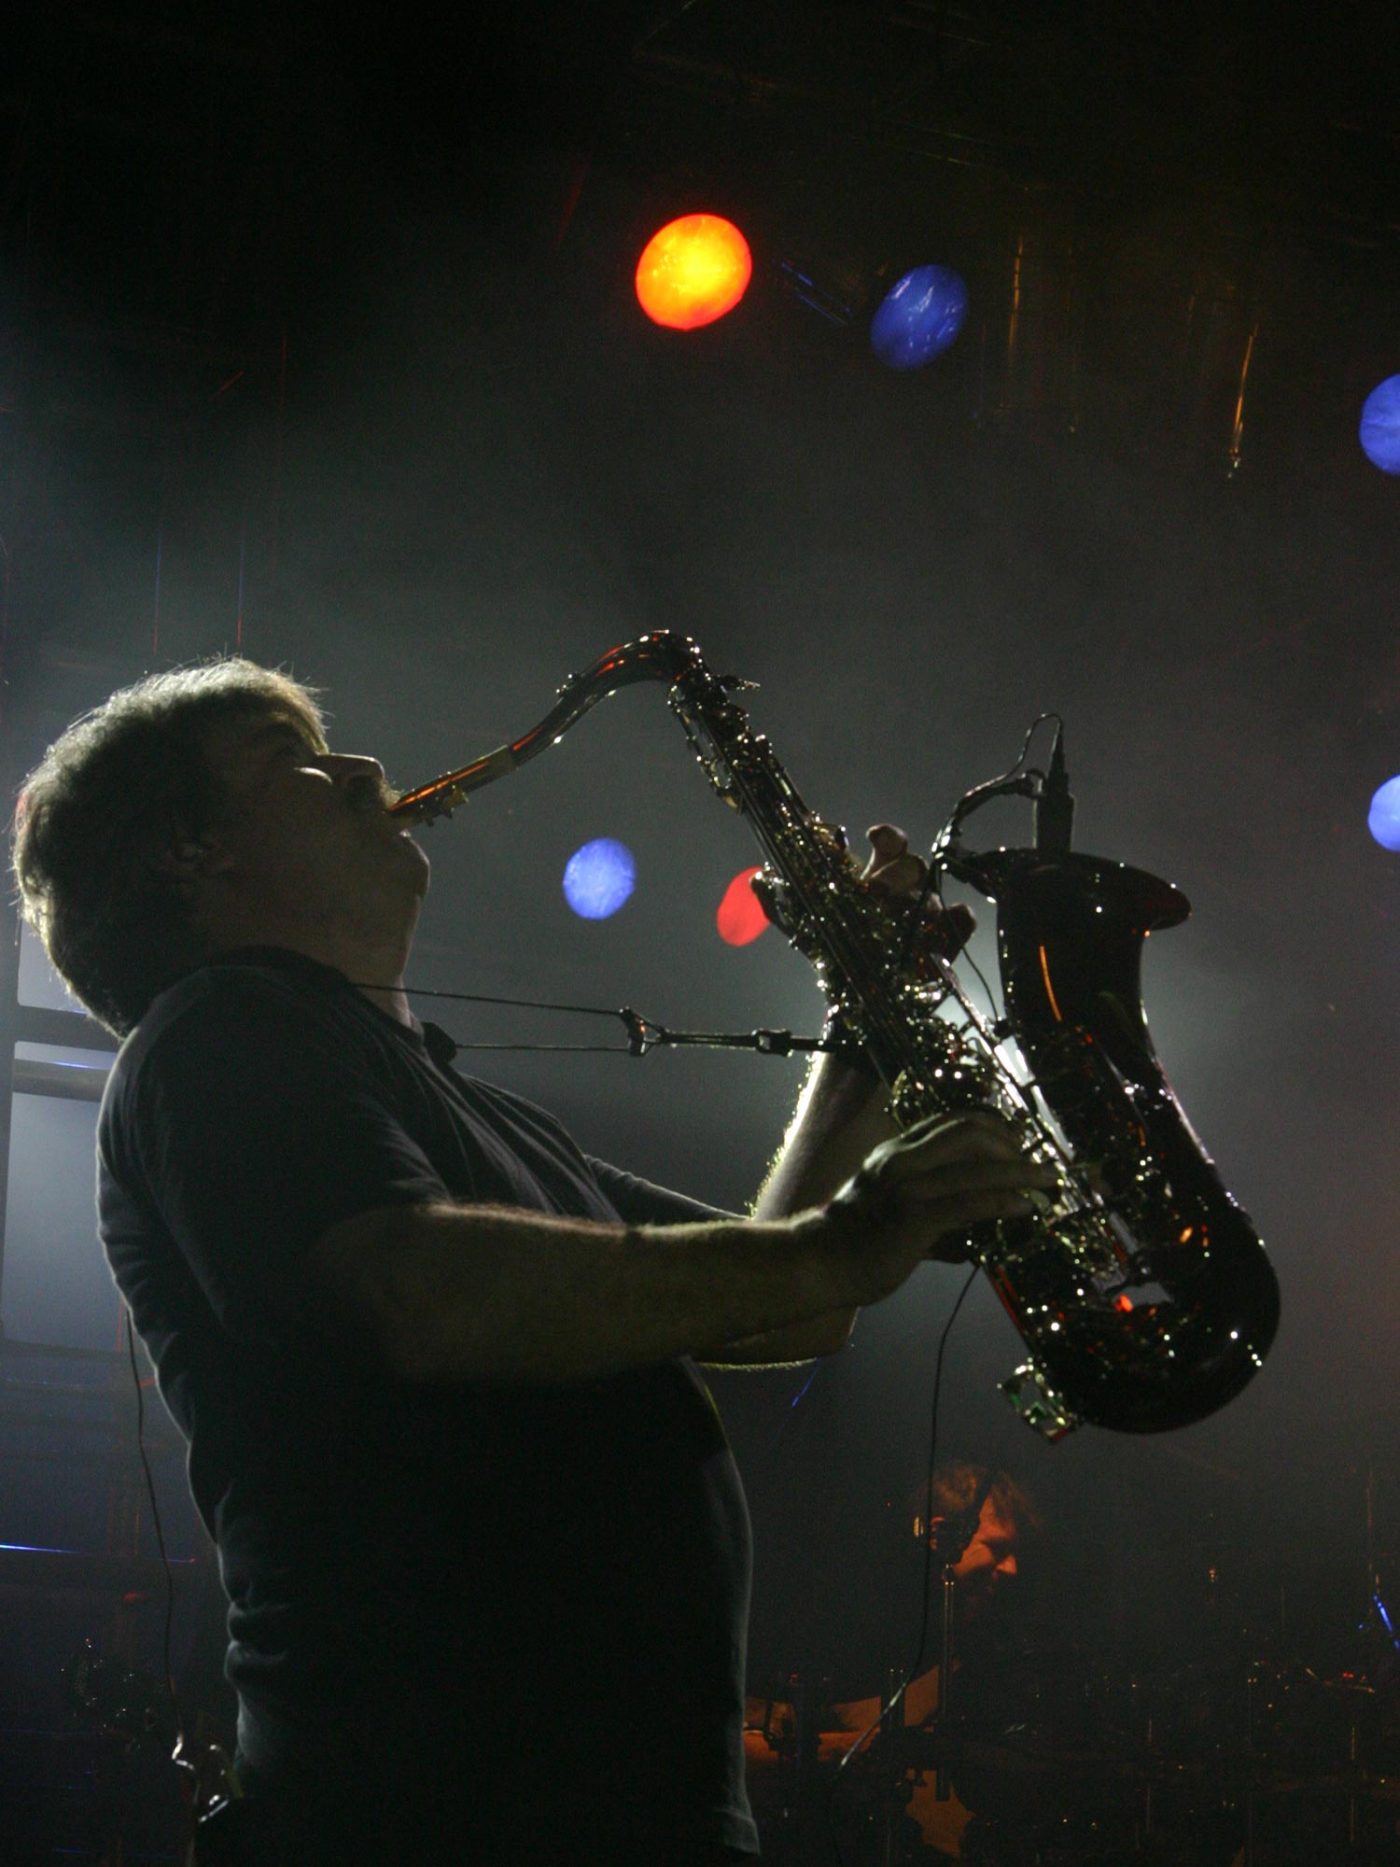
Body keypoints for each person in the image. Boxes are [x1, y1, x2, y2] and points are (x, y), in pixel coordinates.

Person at [10, 660, 1053, 1866]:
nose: (359, 769)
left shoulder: (483, 1116)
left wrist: (867, 1029)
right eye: (283, 756)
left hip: (601, 1812)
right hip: (434, 1813)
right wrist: (842, 1240)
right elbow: (418, 1294)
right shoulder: (213, 1029)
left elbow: (782, 1308)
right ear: (182, 855)